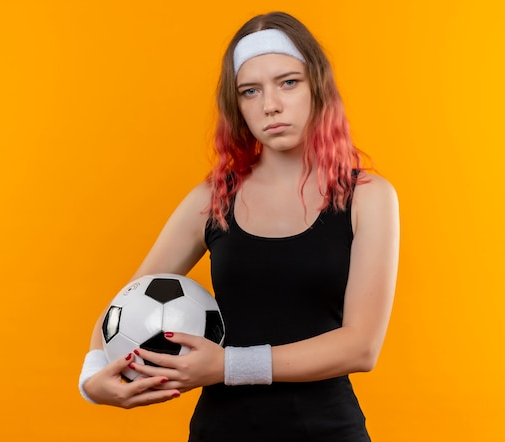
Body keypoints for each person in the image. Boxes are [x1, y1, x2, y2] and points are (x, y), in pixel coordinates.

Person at [79, 10, 399, 442]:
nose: (270, 105)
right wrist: (93, 375)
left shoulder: (368, 196)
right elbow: (124, 304)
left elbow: (361, 347)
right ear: (238, 106)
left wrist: (226, 366)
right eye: (251, 91)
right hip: (221, 430)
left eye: (288, 82)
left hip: (326, 429)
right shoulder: (212, 199)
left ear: (317, 87)